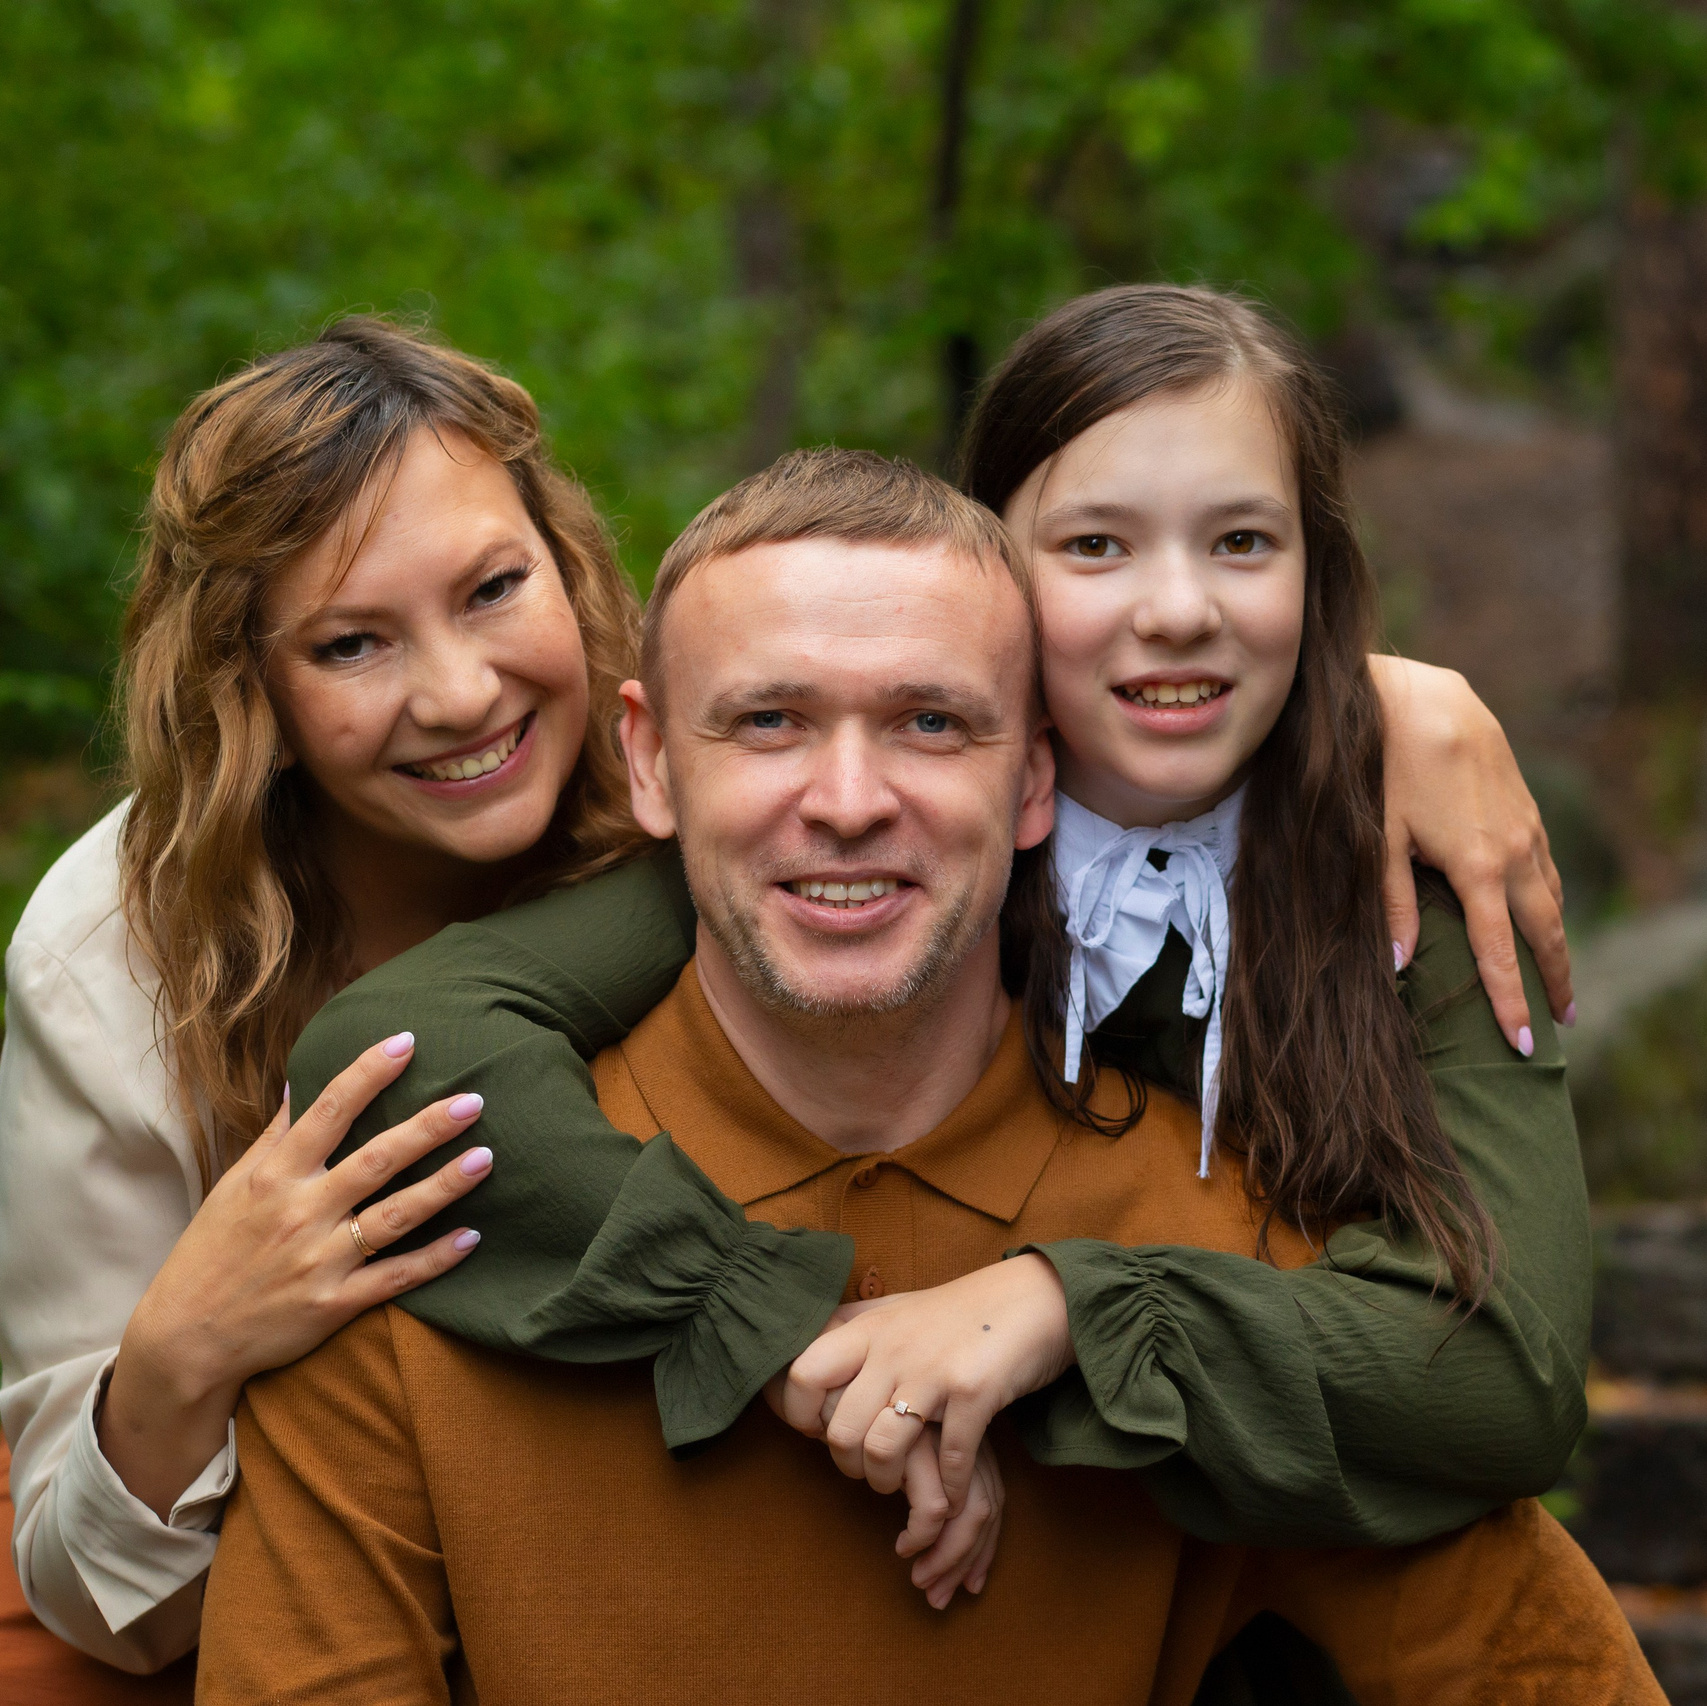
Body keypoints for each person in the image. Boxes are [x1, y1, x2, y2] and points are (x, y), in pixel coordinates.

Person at [0, 312, 1567, 1675]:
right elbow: (95, 1587)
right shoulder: (117, 962)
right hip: (174, 1586)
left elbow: (1494, 1442)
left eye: (492, 590)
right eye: (350, 640)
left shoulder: (1221, 944)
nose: (462, 691)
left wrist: (1376, 696)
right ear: (658, 753)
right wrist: (181, 1360)